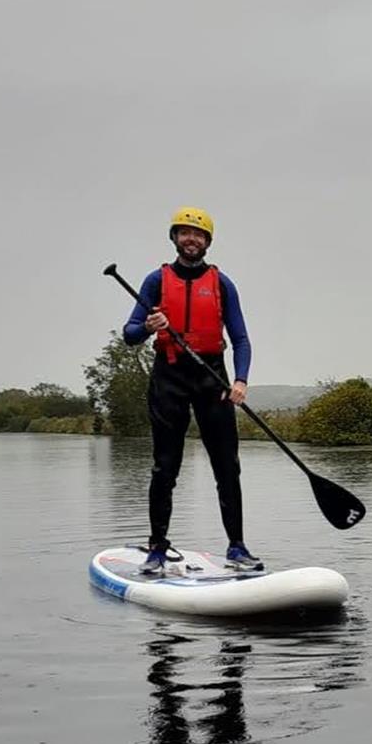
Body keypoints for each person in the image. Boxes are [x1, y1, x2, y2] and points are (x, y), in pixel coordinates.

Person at [122, 207, 260, 575]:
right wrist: (149, 326)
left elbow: (241, 339)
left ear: (208, 243)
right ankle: (157, 548)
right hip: (169, 377)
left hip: (212, 379)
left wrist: (241, 380)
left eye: (198, 235)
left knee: (227, 467)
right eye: (184, 233)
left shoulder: (222, 283)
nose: (191, 239)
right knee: (164, 467)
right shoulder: (155, 280)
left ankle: (237, 546)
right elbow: (129, 334)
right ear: (174, 238)